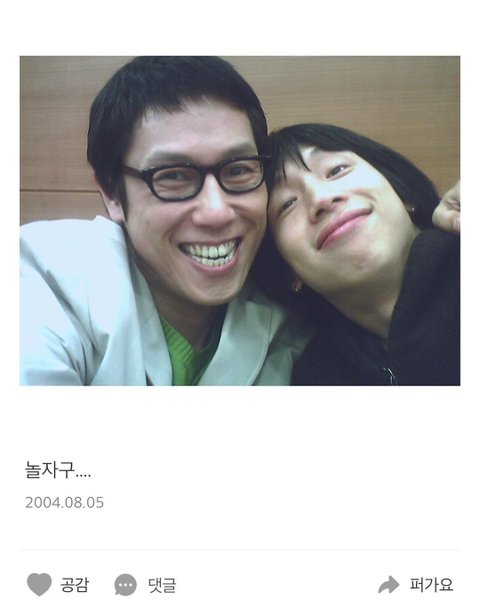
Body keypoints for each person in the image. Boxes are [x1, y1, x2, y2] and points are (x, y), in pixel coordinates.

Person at [20, 56, 310, 385]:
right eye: (173, 176)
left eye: (239, 169)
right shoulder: (44, 283)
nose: (217, 212)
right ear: (113, 194)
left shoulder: (292, 325)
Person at [254, 123, 460, 385]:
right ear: (290, 272)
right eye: (287, 204)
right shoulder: (314, 381)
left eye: (337, 170)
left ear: (402, 192)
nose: (321, 198)